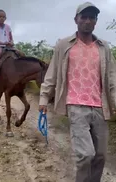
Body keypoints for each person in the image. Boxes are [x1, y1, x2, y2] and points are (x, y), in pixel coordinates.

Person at [39, 2, 116, 182]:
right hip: (76, 105)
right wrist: (43, 99)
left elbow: (112, 79)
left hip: (100, 107)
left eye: (92, 18)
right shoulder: (64, 45)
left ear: (96, 22)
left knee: (100, 156)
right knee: (86, 155)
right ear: (76, 20)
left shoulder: (103, 47)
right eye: (84, 17)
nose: (88, 21)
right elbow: (52, 74)